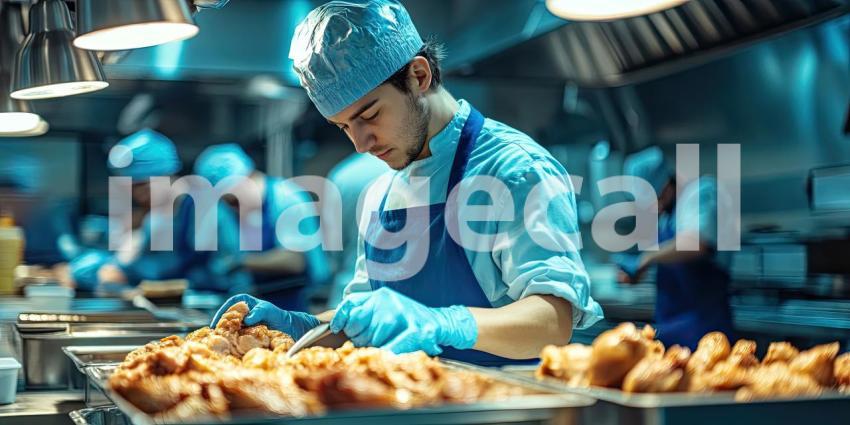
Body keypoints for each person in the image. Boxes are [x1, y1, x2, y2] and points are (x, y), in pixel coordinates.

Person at [212, 0, 602, 365]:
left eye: (370, 115)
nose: (360, 144)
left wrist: (446, 324)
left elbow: (553, 320)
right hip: (405, 399)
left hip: (496, 406)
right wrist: (305, 326)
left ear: (418, 75)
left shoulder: (513, 168)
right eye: (345, 127)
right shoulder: (381, 192)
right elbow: (361, 316)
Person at [68, 129, 247, 293]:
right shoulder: (157, 217)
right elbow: (144, 266)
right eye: (131, 187)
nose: (138, 195)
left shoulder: (204, 209)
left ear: (167, 174)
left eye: (142, 186)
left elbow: (230, 270)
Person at [615, 146, 734, 350]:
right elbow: (666, 255)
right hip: (669, 328)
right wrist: (636, 272)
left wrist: (647, 258)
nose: (656, 207)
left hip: (704, 330)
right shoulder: (667, 217)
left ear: (667, 184)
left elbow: (698, 242)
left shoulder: (700, 193)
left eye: (657, 198)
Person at [194, 144, 329, 311]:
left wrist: (240, 262)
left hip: (296, 303)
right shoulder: (227, 212)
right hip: (256, 303)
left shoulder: (286, 198)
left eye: (234, 198)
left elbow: (295, 261)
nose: (232, 206)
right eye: (226, 200)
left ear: (249, 176)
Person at [323, 152, 388, 307]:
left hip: (348, 296)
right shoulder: (413, 169)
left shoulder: (343, 174)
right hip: (400, 303)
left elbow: (332, 247)